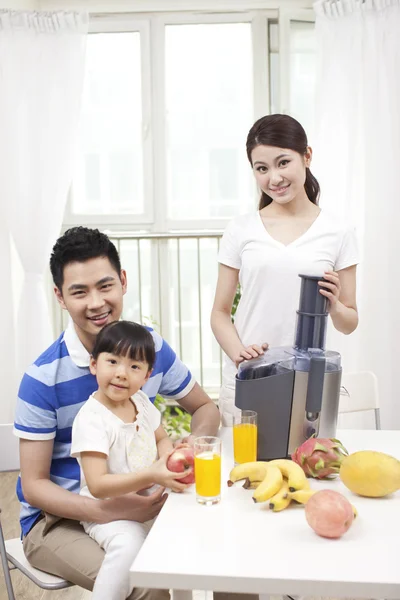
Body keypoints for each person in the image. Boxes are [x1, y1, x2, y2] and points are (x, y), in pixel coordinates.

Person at [14, 226, 220, 600]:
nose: (96, 303)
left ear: (123, 281)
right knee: (146, 583)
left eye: (105, 285)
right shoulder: (42, 378)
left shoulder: (149, 348)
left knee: (221, 555)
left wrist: (190, 445)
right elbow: (34, 486)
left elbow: (205, 407)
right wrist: (109, 510)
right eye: (79, 291)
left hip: (138, 496)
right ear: (60, 297)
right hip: (58, 519)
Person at [211, 113, 359, 426]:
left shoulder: (338, 231)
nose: (273, 178)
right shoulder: (241, 229)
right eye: (261, 168)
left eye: (283, 162)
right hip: (247, 378)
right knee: (245, 473)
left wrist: (334, 305)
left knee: (306, 473)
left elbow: (350, 322)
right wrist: (240, 353)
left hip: (308, 381)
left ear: (307, 156)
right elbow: (220, 313)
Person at [71, 319, 191, 600]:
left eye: (134, 366)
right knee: (129, 546)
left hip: (151, 502)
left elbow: (161, 438)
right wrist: (153, 474)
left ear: (147, 376)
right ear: (94, 365)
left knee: (190, 531)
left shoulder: (142, 403)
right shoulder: (92, 419)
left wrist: (168, 458)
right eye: (112, 361)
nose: (122, 374)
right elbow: (98, 485)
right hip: (108, 513)